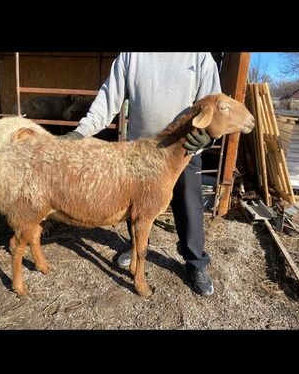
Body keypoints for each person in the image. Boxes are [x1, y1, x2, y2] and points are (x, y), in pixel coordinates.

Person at [63, 52, 221, 297]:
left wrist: (209, 135)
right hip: (142, 151)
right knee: (136, 204)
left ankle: (195, 262)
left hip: (184, 148)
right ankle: (137, 248)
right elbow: (108, 98)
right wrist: (81, 132)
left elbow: (213, 103)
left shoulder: (199, 56)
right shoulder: (132, 55)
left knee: (189, 202)